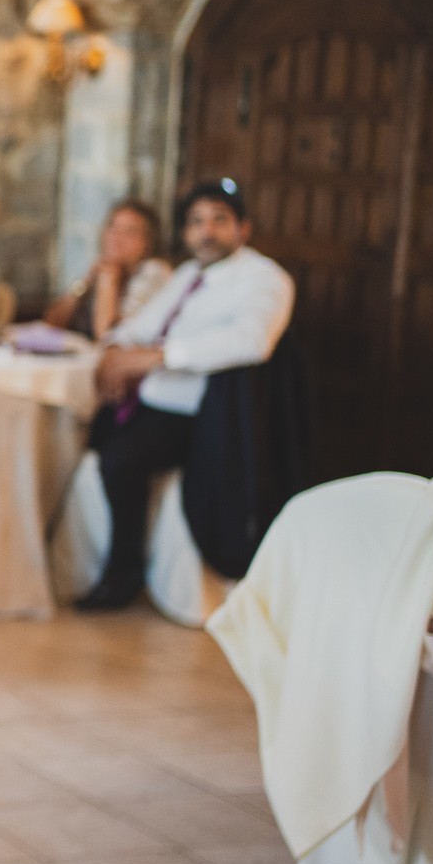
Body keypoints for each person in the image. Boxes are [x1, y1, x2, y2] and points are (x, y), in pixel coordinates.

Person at [77, 178, 295, 610]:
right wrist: (119, 352)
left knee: (122, 461)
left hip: (205, 413)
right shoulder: (187, 276)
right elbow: (137, 326)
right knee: (84, 430)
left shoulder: (264, 278)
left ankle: (123, 572)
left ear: (243, 229)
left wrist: (156, 359)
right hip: (153, 399)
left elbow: (252, 341)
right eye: (196, 222)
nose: (207, 231)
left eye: (219, 221)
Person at [44, 200, 171, 341]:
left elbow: (109, 337)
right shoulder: (103, 268)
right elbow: (51, 323)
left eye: (129, 232)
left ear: (147, 243)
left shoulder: (154, 271)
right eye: (112, 227)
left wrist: (108, 279)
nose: (115, 237)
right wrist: (85, 283)